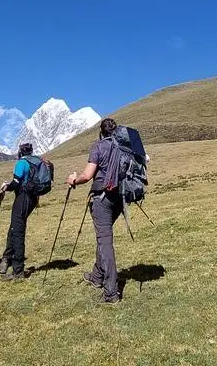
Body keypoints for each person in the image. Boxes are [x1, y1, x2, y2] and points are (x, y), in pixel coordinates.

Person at [66, 117, 125, 304]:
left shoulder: (98, 147)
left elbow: (87, 175)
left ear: (102, 132)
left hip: (102, 198)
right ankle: (97, 276)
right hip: (120, 198)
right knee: (104, 236)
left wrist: (73, 180)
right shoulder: (123, 147)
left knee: (104, 241)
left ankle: (111, 293)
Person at [0, 143, 40, 280]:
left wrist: (6, 186)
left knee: (17, 232)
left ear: (20, 152)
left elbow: (16, 183)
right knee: (15, 228)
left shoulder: (22, 163)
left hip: (22, 198)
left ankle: (18, 270)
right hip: (33, 199)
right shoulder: (37, 161)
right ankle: (7, 259)